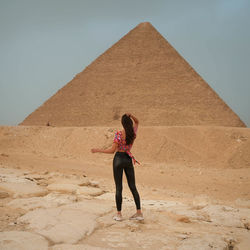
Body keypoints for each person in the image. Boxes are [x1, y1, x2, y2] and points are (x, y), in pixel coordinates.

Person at [91, 113, 143, 221]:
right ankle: (139, 213)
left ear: (122, 124)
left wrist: (98, 150)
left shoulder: (119, 134)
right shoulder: (132, 133)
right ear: (130, 123)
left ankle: (119, 215)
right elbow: (137, 122)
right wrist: (132, 115)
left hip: (118, 159)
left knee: (119, 188)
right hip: (128, 159)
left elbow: (111, 151)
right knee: (133, 186)